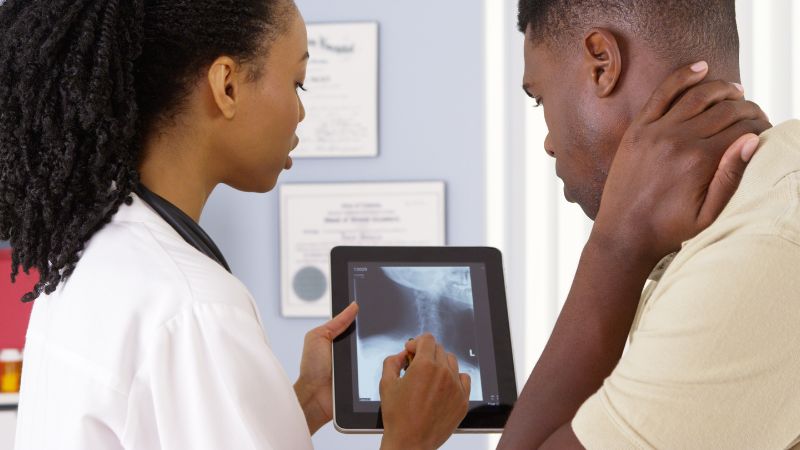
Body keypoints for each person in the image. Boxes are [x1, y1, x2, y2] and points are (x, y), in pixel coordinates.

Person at [0, 1, 470, 449]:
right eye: (297, 84)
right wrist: (410, 439)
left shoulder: (88, 259)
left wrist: (308, 397)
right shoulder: (194, 306)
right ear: (226, 86)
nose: (301, 112)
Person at [497, 0, 799, 448]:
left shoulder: (760, 247)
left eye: (540, 97)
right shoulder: (766, 191)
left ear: (602, 63)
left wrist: (616, 247)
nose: (547, 142)